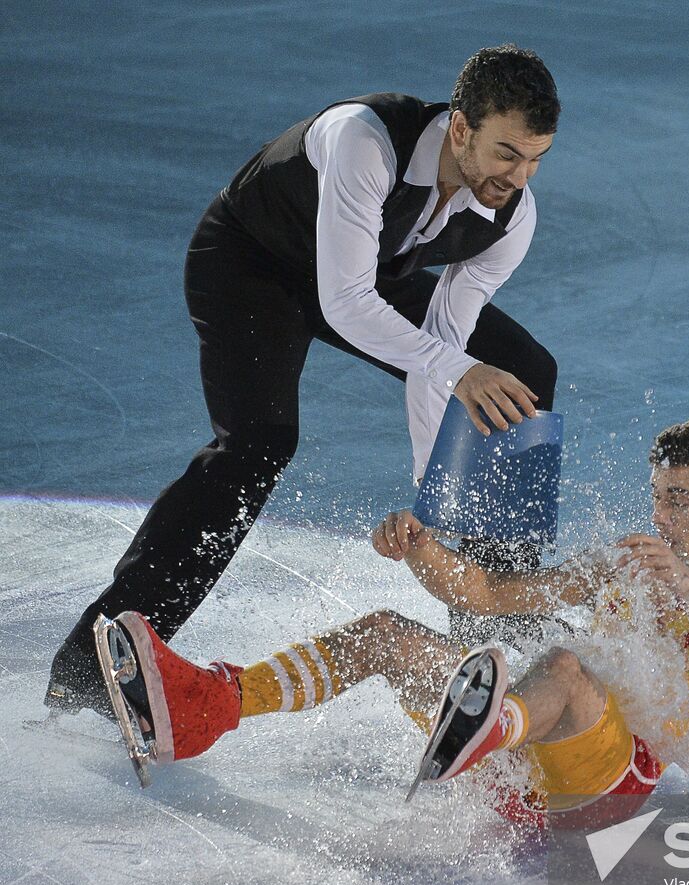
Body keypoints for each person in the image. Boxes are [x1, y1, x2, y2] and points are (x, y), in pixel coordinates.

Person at [48, 45, 561, 717]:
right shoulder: (364, 138)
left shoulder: (509, 218)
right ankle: (92, 671)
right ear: (461, 128)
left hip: (369, 278)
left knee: (520, 378)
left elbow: (440, 350)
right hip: (252, 265)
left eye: (535, 159)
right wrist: (459, 372)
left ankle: (495, 635)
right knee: (257, 445)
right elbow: (349, 306)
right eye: (505, 154)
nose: (518, 177)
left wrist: (430, 495)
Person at [95, 416, 689, 822]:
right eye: (657, 496)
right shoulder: (627, 565)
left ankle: (487, 728)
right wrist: (422, 550)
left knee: (564, 667)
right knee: (383, 634)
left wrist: (681, 581)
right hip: (526, 767)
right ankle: (204, 709)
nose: (659, 516)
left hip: (612, 785)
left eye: (680, 499)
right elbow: (493, 593)